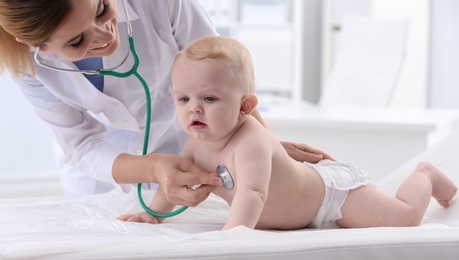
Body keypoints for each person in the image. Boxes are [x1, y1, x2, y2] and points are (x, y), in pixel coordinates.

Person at [0, 1, 330, 204]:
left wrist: (261, 147)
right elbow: (81, 144)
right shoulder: (28, 66)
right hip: (100, 174)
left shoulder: (160, 2)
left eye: (101, 8)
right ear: (34, 44)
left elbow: (223, 74)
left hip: (190, 141)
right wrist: (154, 168)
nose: (105, 35)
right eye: (77, 41)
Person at [118, 36, 457, 230]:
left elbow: (252, 195)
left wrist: (230, 238)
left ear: (246, 106)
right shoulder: (195, 145)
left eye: (209, 98)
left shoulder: (249, 142)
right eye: (183, 98)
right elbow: (175, 180)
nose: (194, 108)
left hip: (332, 196)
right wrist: (154, 212)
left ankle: (425, 174)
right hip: (305, 196)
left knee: (405, 218)